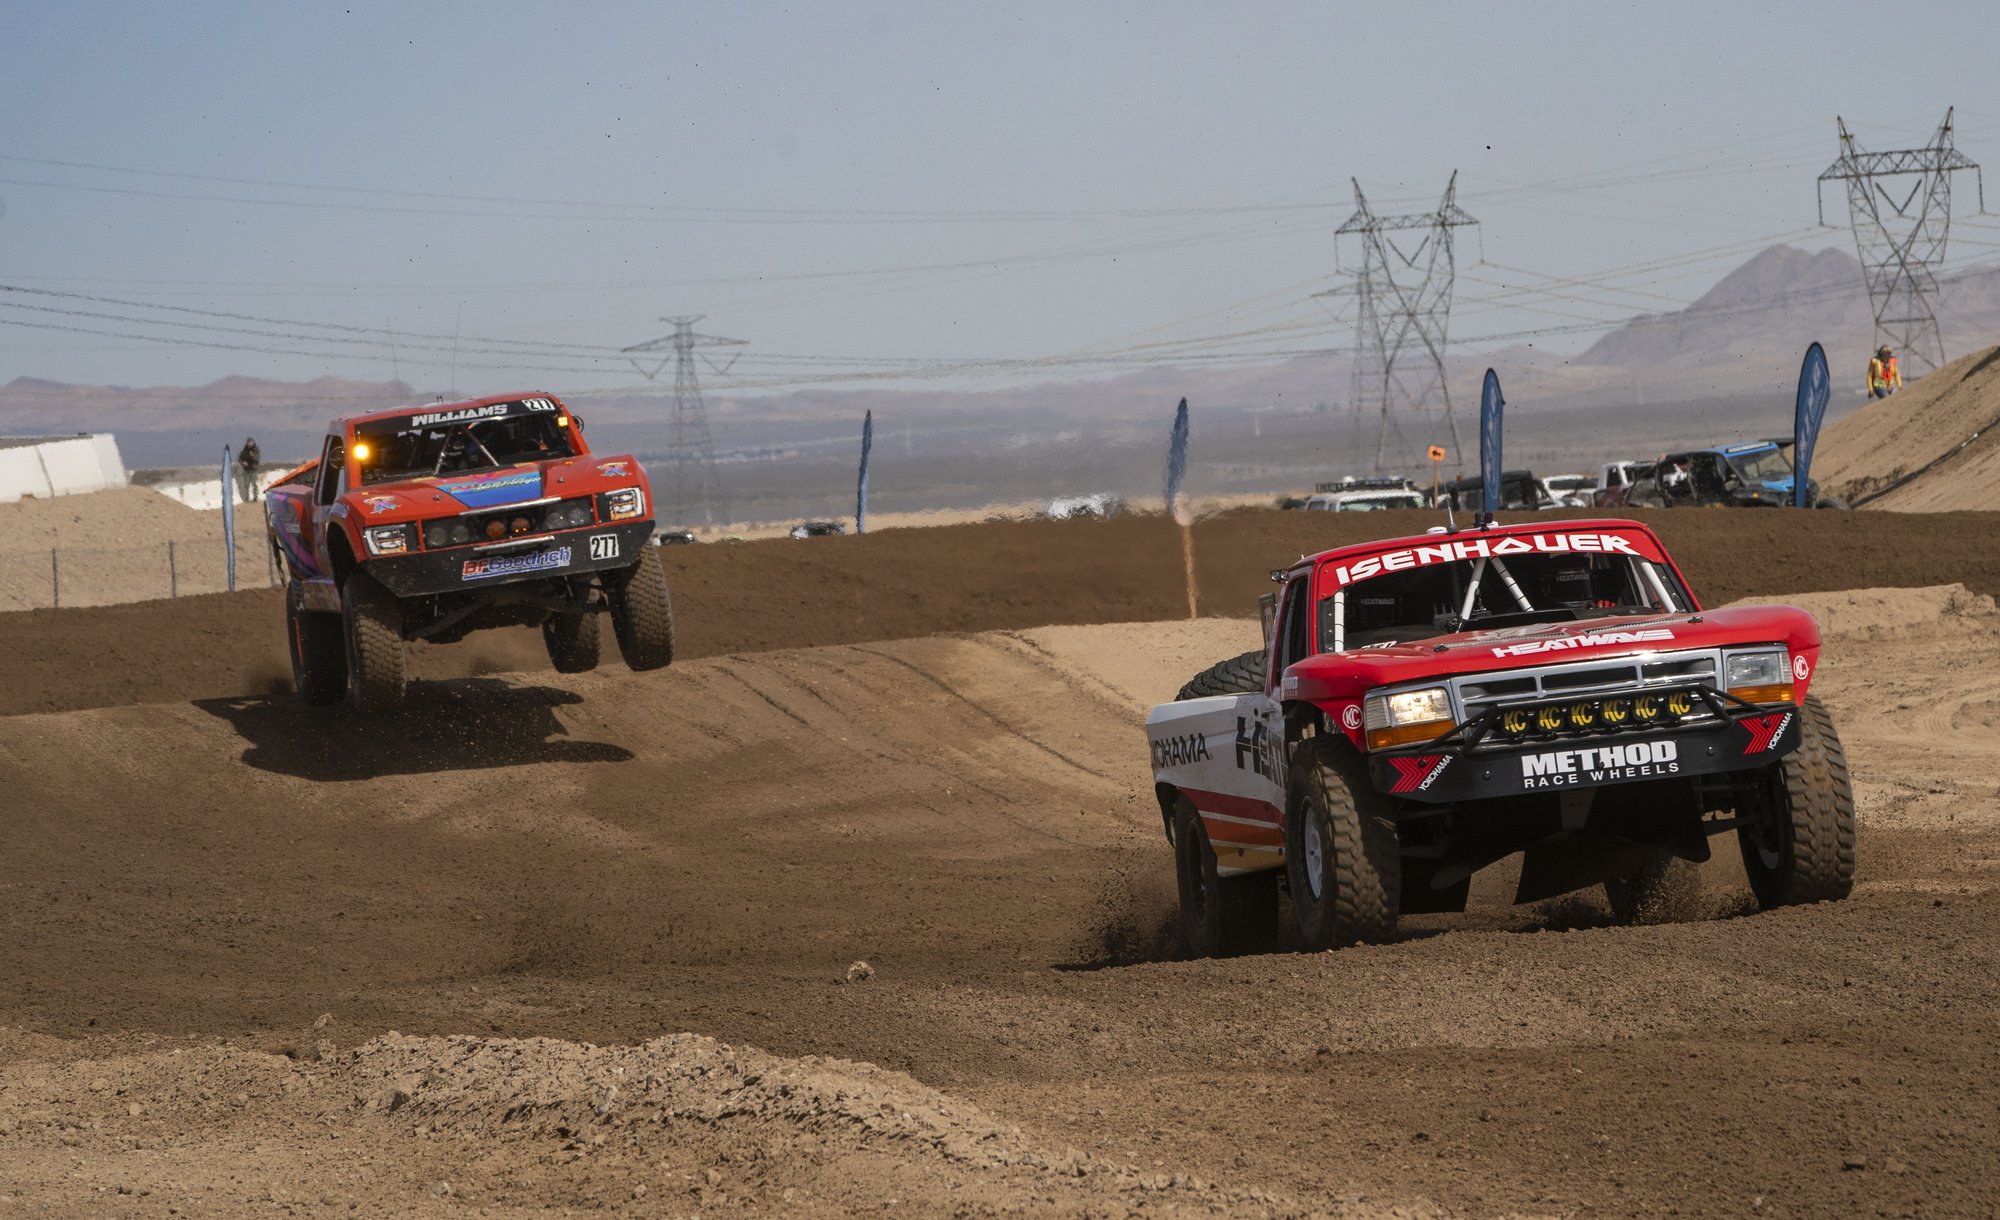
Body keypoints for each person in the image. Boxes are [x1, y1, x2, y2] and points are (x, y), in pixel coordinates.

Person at [236, 436, 262, 502]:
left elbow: (257, 459)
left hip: (253, 469)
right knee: (246, 484)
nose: (250, 444)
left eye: (251, 442)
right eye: (248, 442)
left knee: (254, 483)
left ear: (253, 443)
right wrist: (243, 463)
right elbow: (240, 459)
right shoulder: (245, 451)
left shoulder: (256, 450)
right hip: (246, 470)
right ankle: (247, 498)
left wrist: (252, 455)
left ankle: (255, 497)